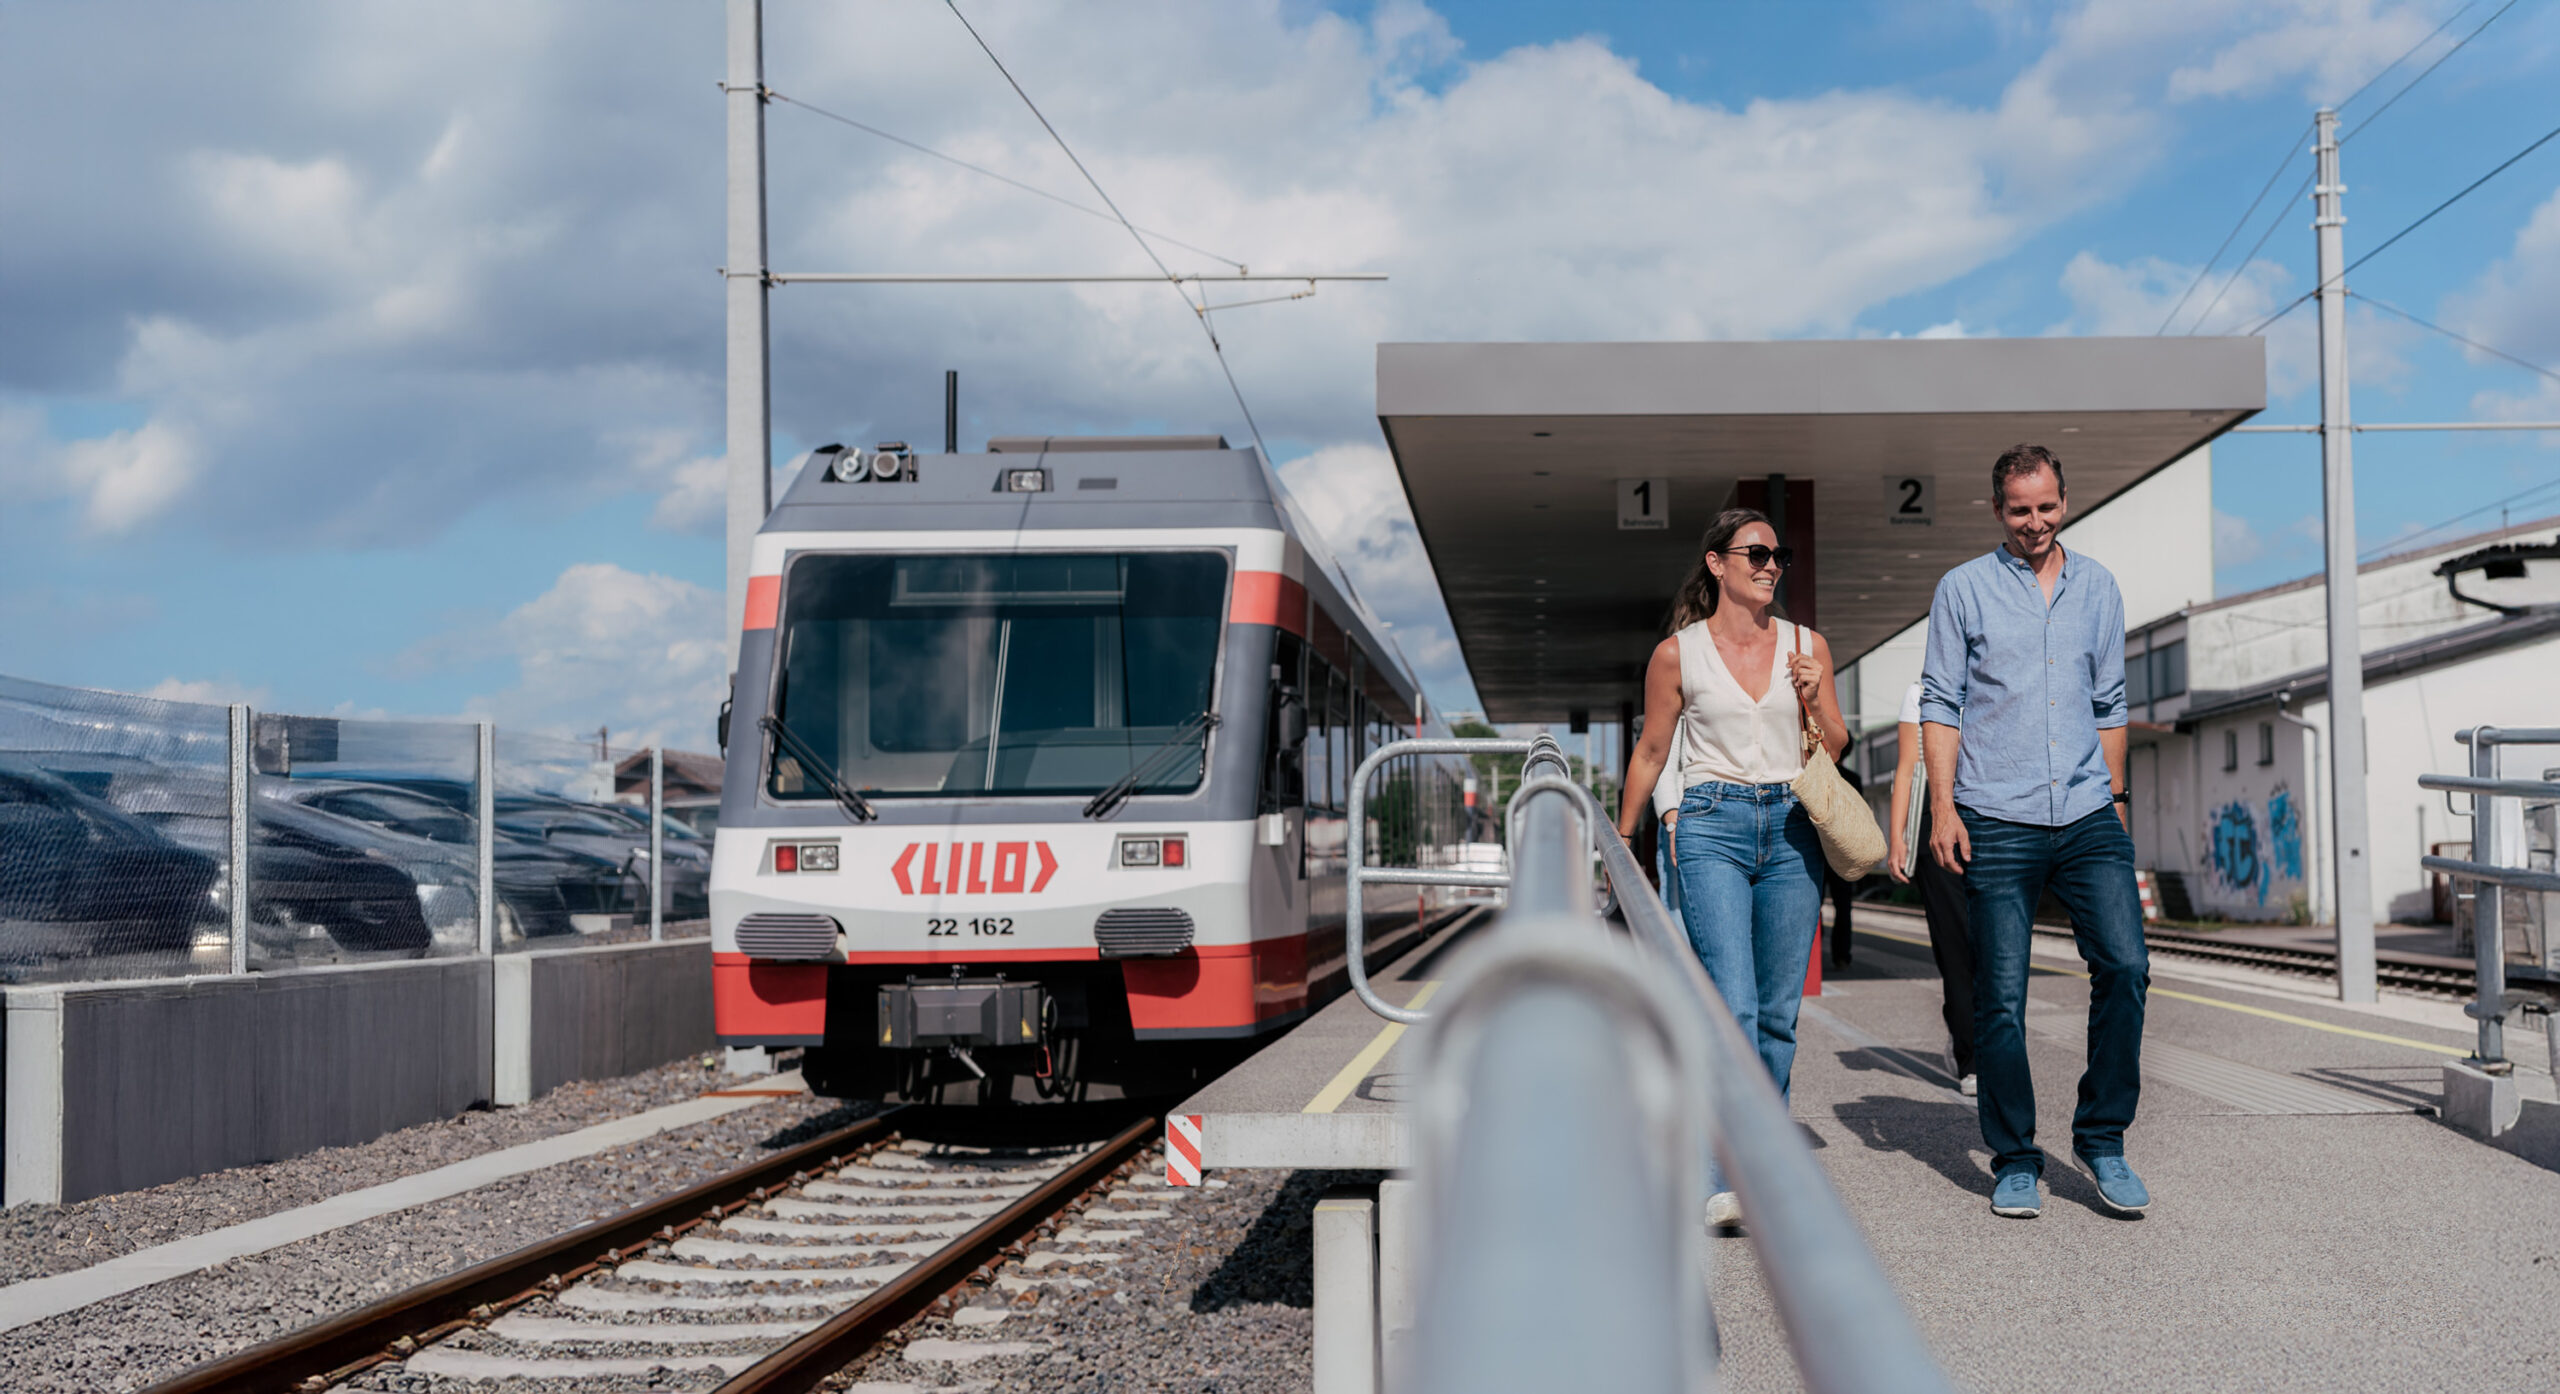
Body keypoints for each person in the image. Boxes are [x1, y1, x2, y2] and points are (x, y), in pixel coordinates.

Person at [1920, 443, 2150, 1219]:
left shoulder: (2100, 588)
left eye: (2047, 506)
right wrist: (1945, 807)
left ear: (2064, 500)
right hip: (1996, 814)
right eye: (2020, 510)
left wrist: (2116, 802)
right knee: (2002, 999)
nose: (2036, 522)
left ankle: (2102, 1138)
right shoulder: (1964, 590)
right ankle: (2015, 1156)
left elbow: (2110, 703)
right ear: (1997, 511)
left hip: (2088, 811)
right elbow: (1940, 703)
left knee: (2124, 966)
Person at [1619, 508, 1848, 1230]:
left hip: (1791, 830)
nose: (1770, 565)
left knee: (1779, 1017)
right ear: (1717, 563)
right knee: (1732, 1008)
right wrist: (1626, 844)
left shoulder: (1809, 646)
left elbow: (1836, 745)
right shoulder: (1676, 654)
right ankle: (1724, 1177)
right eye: (1755, 553)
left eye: (1778, 555)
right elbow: (1654, 752)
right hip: (1711, 825)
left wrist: (1812, 695)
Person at [1887, 677, 1975, 1097]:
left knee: (1997, 948)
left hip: (1994, 821)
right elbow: (1907, 770)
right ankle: (1970, 1054)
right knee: (1956, 947)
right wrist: (1898, 837)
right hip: (1935, 829)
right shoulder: (1920, 690)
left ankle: (1990, 1042)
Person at [1825, 763, 1864, 970]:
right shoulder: (1853, 778)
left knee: (1814, 904)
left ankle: (1814, 955)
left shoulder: (1816, 774)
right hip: (1842, 849)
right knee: (1843, 906)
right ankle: (1841, 956)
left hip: (1818, 848)